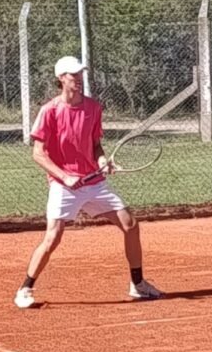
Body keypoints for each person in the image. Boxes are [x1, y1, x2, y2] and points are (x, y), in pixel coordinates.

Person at [14, 55, 163, 309]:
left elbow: (95, 145)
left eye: (81, 74)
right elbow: (38, 153)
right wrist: (63, 176)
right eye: (74, 75)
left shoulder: (93, 108)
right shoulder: (49, 111)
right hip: (64, 185)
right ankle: (25, 288)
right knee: (53, 236)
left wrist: (103, 160)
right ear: (61, 79)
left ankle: (137, 285)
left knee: (131, 225)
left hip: (94, 183)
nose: (79, 79)